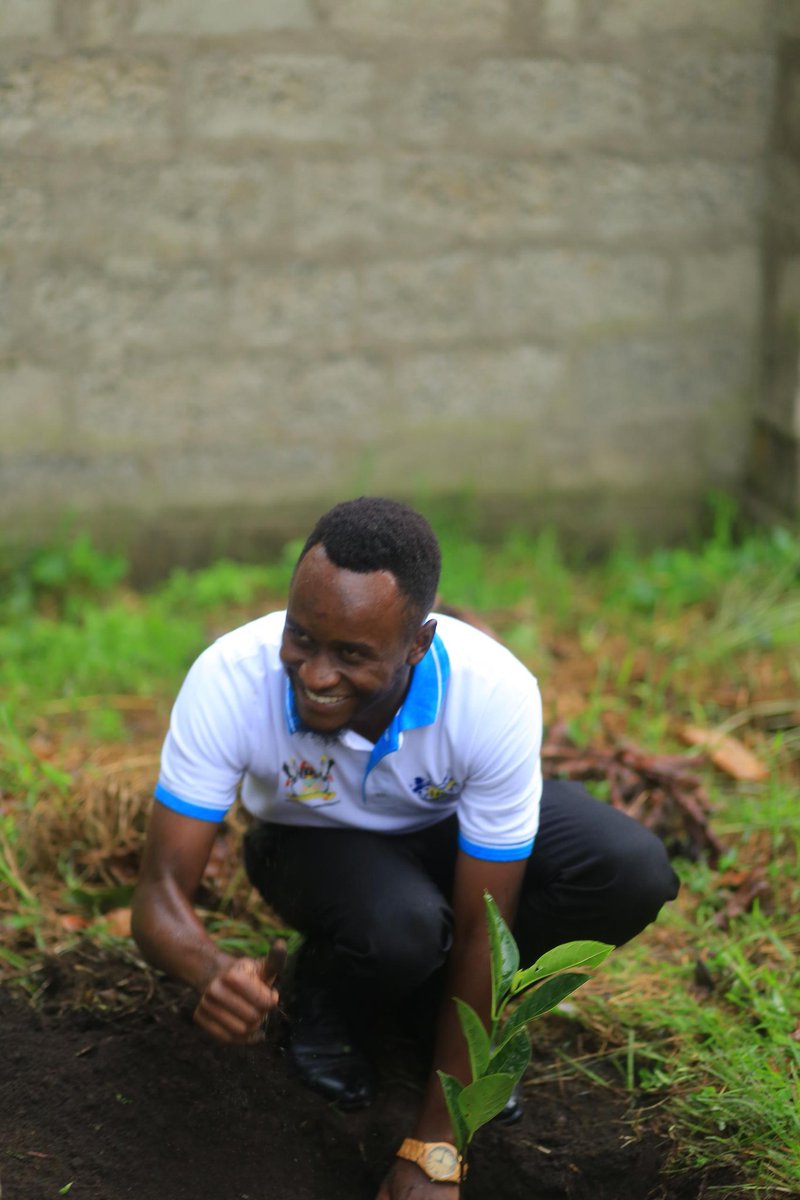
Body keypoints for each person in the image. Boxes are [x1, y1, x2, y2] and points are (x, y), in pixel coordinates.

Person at [132, 496, 679, 1199]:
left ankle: (437, 1019)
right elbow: (158, 894)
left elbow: (486, 927)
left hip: (445, 831)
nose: (315, 674)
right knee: (401, 929)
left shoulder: (492, 693)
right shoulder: (230, 677)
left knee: (629, 870)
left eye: (352, 654)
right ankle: (325, 995)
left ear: (419, 643)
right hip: (310, 841)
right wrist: (211, 970)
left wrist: (438, 1145)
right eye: (301, 637)